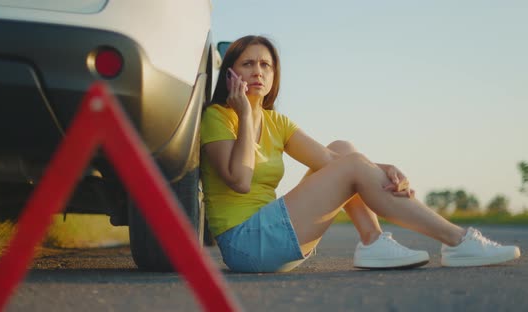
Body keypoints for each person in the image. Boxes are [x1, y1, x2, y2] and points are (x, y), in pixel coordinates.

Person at [200, 35, 521, 273]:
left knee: (342, 149)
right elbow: (241, 181)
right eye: (248, 63)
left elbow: (332, 163)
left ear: (274, 76)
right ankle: (457, 240)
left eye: (265, 64)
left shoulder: (276, 122)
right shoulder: (218, 117)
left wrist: (384, 167)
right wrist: (243, 115)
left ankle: (372, 242)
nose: (258, 70)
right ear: (231, 73)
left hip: (275, 240)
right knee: (351, 164)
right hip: (245, 246)